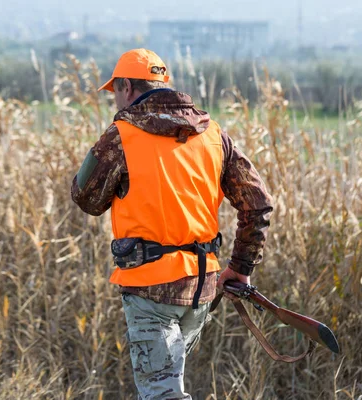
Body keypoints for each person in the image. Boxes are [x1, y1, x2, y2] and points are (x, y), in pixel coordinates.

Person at [71, 49, 273, 399]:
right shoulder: (214, 136)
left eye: (115, 92)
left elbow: (86, 199)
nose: (115, 101)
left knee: (162, 394)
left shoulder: (122, 134)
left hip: (150, 290)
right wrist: (241, 268)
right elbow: (259, 204)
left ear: (126, 87)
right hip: (201, 290)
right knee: (166, 387)